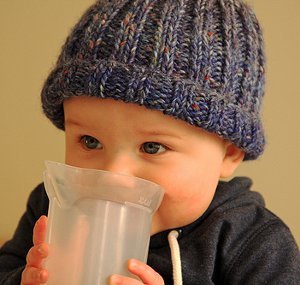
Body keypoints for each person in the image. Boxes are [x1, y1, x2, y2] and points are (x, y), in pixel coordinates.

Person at [0, 0, 299, 284]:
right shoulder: (52, 206)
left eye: (152, 147)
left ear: (229, 153)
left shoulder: (254, 243)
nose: (113, 176)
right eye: (90, 141)